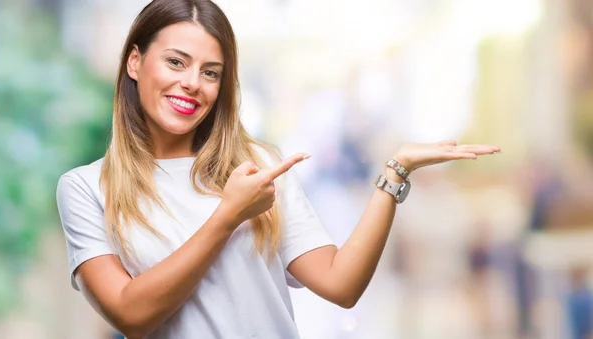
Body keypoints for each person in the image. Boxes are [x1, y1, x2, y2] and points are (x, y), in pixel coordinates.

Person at [55, 1, 500, 338]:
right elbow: (131, 314)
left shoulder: (260, 168)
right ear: (135, 62)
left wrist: (396, 171)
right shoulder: (87, 188)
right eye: (176, 62)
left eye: (211, 72)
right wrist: (227, 216)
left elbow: (341, 284)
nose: (192, 83)